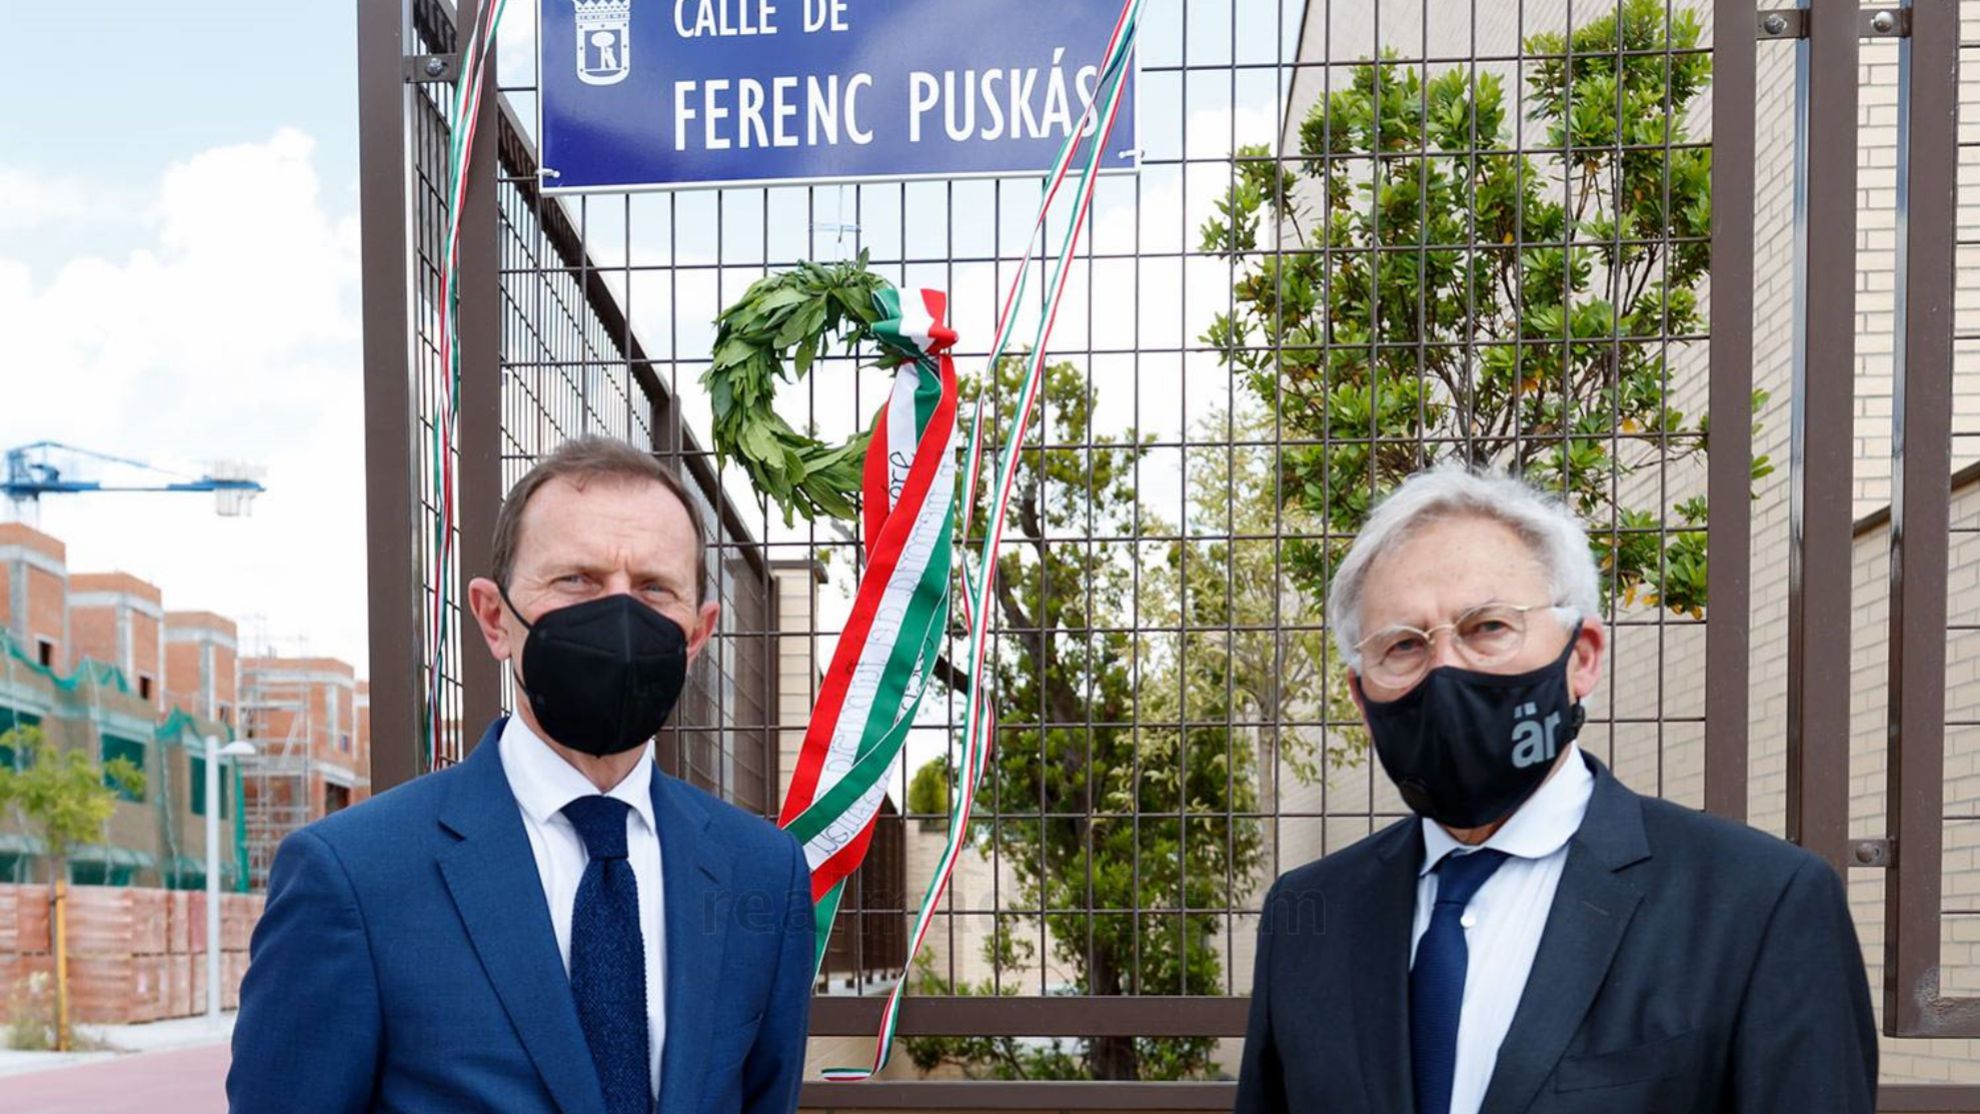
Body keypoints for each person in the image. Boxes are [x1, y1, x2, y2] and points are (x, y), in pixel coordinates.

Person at [1234, 466, 1876, 1114]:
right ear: (1362, 698)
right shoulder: (1307, 913)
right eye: (1403, 644)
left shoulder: (1760, 904)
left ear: (1582, 655)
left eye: (1488, 627)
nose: (1446, 669)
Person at [230, 435, 814, 1114]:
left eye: (654, 589)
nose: (621, 617)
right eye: (578, 581)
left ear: (698, 634)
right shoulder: (354, 877)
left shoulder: (763, 871)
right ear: (493, 618)